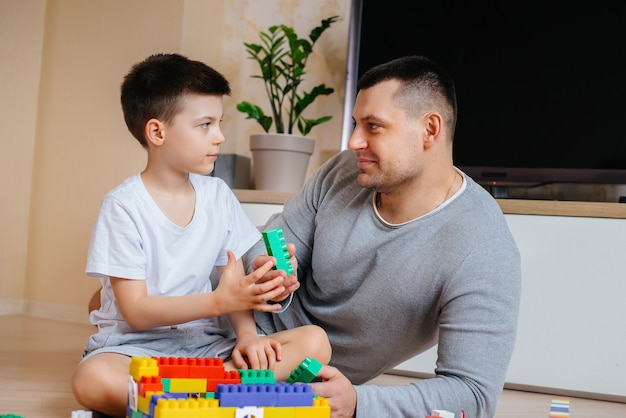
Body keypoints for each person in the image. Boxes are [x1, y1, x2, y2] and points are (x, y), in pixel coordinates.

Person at [244, 55, 522, 418]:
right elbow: (265, 244)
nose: (354, 141)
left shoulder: (482, 247)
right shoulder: (342, 172)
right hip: (233, 321)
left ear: (430, 130)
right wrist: (267, 270)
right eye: (356, 124)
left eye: (373, 126)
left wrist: (360, 403)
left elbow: (472, 392)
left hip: (290, 382)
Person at [71, 53, 331, 417]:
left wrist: (248, 336)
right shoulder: (123, 207)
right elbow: (137, 311)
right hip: (133, 348)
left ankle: (184, 402)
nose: (220, 136)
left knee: (315, 342)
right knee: (92, 379)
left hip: (204, 348)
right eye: (205, 125)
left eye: (218, 123)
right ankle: (225, 398)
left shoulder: (218, 195)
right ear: (157, 132)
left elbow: (233, 274)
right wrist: (219, 303)